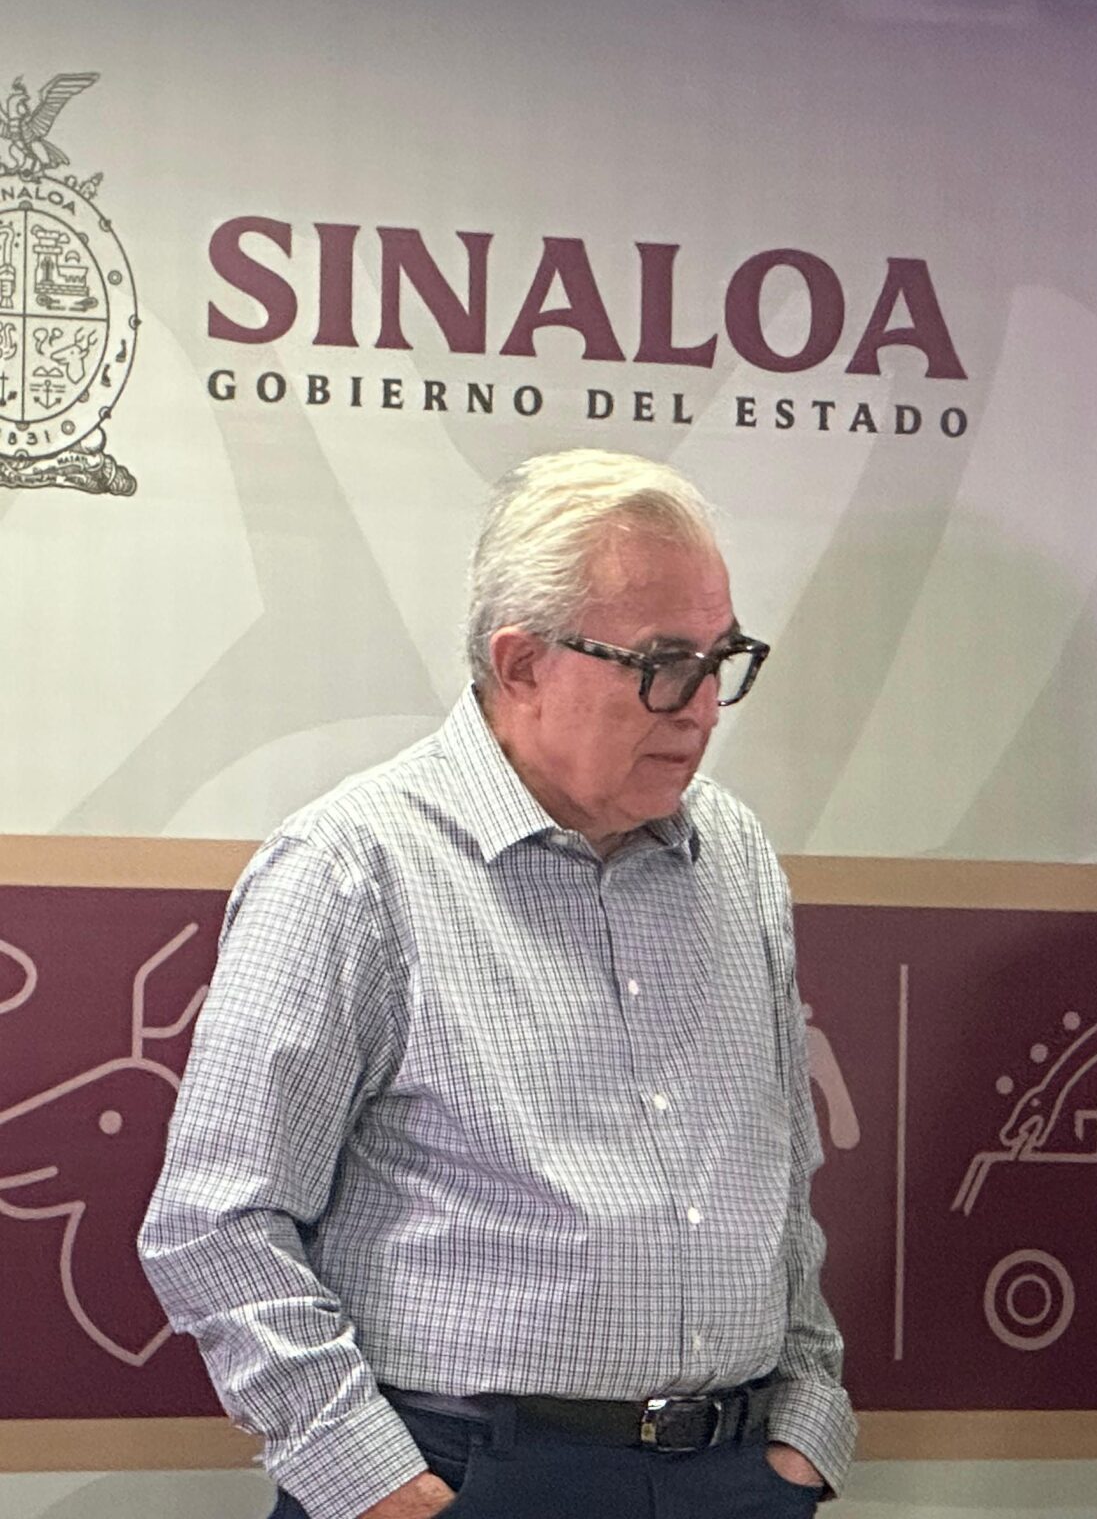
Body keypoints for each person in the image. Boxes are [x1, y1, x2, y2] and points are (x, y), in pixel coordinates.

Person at [141, 450, 855, 1519]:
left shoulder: (737, 855)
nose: (705, 707)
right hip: (467, 1472)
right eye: (664, 664)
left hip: (734, 1472)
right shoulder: (354, 867)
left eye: (722, 659)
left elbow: (778, 1178)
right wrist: (375, 1482)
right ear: (521, 664)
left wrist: (804, 1427)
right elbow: (218, 1220)